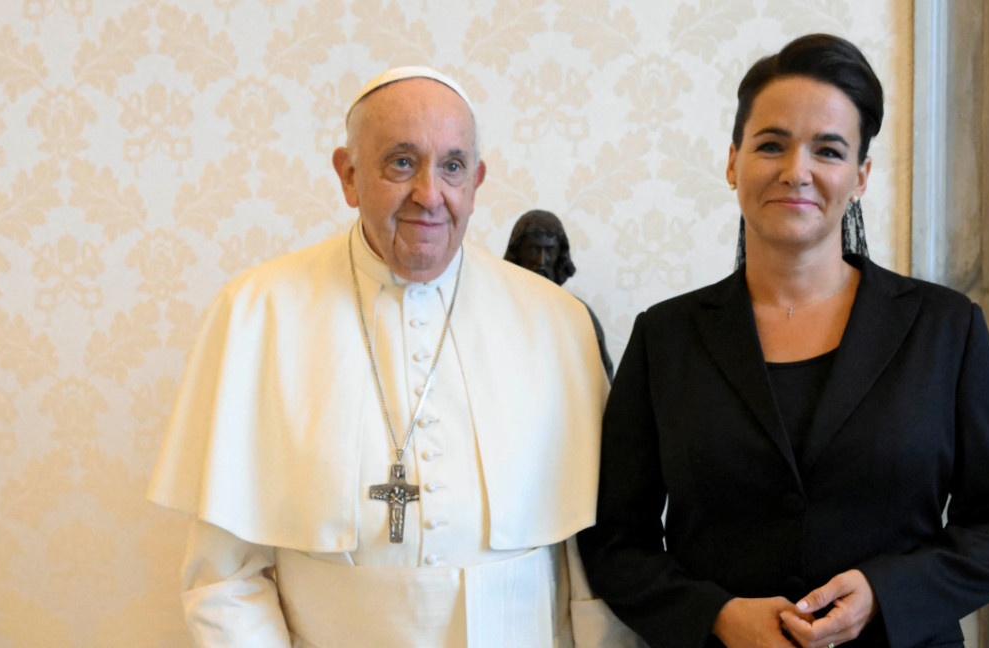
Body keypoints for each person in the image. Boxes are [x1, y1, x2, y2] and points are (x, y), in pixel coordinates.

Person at [577, 34, 989, 648]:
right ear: (731, 162)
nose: (796, 171)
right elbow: (615, 540)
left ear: (861, 176)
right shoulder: (666, 336)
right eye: (771, 144)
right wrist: (716, 616)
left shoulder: (944, 327)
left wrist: (887, 592)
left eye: (828, 150)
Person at [148, 66, 629, 647]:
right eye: (401, 162)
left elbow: (593, 571)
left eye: (451, 166)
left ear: (475, 181)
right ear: (348, 176)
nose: (429, 195)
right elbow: (222, 579)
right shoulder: (258, 312)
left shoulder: (555, 321)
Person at [504, 209, 615, 378]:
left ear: (559, 254)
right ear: (518, 251)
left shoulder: (578, 314)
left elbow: (602, 380)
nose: (541, 261)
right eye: (533, 249)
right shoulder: (495, 309)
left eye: (549, 250)